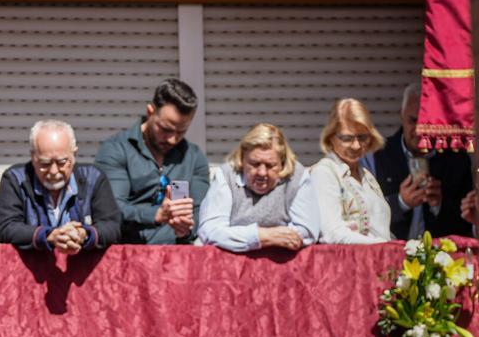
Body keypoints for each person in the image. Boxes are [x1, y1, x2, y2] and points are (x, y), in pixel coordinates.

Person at [94, 79, 210, 244]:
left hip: (178, 259)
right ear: (150, 112)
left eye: (181, 132)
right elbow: (110, 210)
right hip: (127, 256)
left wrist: (186, 228)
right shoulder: (116, 150)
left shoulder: (193, 157)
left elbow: (203, 212)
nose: (172, 139)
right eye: (165, 129)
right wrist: (155, 214)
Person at [0, 119, 121, 251]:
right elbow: (6, 228)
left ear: (74, 155)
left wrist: (83, 234)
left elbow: (112, 226)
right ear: (33, 157)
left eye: (61, 162)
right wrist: (49, 236)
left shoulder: (93, 178)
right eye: (45, 163)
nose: (54, 171)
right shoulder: (15, 179)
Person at [196, 123, 318, 252]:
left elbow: (307, 230)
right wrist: (262, 237)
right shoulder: (227, 176)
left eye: (271, 165)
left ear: (282, 163)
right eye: (254, 164)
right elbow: (210, 231)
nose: (262, 173)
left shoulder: (297, 177)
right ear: (242, 159)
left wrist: (236, 237)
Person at [373, 83, 473, 240]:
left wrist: (439, 205)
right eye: (413, 120)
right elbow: (366, 215)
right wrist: (401, 202)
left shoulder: (456, 159)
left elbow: (468, 223)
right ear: (401, 115)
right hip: (390, 254)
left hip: (443, 258)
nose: (420, 130)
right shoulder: (379, 154)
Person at [309, 99, 391, 244]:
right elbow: (333, 233)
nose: (356, 146)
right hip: (348, 264)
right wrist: (383, 246)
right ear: (331, 138)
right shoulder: (324, 172)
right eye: (347, 138)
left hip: (380, 261)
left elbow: (380, 230)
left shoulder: (366, 175)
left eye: (362, 137)